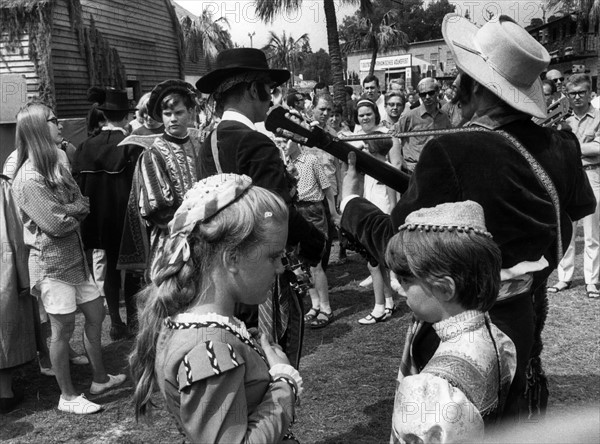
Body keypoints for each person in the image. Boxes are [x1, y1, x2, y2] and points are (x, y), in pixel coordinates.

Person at [339, 14, 596, 422]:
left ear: (476, 86)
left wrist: (351, 203)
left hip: (464, 331)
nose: (454, 91)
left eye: (462, 77)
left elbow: (396, 245)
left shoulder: (451, 151)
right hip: (525, 316)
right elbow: (579, 208)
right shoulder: (562, 144)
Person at [130, 174, 302, 443]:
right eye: (273, 256)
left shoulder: (189, 322)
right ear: (232, 258)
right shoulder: (210, 348)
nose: (281, 267)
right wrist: (284, 382)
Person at [195, 48, 326, 364]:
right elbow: (275, 211)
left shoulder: (209, 140)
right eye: (269, 88)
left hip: (222, 269)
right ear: (254, 89)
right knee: (275, 357)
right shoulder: (254, 141)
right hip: (259, 271)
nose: (271, 98)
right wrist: (315, 242)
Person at [11, 103, 126, 414]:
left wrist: (71, 210)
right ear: (37, 128)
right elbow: (55, 225)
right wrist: (74, 211)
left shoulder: (56, 166)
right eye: (52, 120)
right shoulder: (28, 178)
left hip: (75, 258)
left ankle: (100, 379)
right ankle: (67, 396)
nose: (59, 125)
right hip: (51, 265)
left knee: (96, 314)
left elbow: (82, 201)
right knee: (62, 330)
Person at [387, 201, 516, 442]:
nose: (400, 290)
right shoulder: (496, 337)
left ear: (445, 288)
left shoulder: (430, 388)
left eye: (406, 280)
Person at [72, 88, 142, 340]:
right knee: (134, 268)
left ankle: (115, 322)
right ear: (125, 117)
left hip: (98, 219)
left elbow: (78, 185)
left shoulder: (85, 146)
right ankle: (134, 322)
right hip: (126, 216)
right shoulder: (131, 146)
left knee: (110, 268)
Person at [118, 80, 202, 279]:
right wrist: (192, 224)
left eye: (179, 113)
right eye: (167, 114)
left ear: (190, 113)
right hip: (171, 241)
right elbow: (157, 208)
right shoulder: (153, 154)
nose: (173, 119)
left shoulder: (200, 146)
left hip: (205, 237)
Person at [548, 74, 600, 298]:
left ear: (590, 93)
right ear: (566, 95)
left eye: (582, 92)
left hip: (592, 176)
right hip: (567, 178)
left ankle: (592, 280)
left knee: (592, 233)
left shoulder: (598, 117)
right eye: (573, 93)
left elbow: (599, 148)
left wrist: (569, 146)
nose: (577, 97)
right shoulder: (561, 119)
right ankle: (564, 278)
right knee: (566, 231)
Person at [284, 123, 339, 329]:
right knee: (301, 262)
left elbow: (327, 188)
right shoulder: (284, 163)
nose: (283, 144)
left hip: (313, 210)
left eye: (286, 140)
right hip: (295, 210)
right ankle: (315, 304)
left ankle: (326, 308)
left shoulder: (311, 159)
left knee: (315, 262)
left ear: (296, 140)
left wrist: (333, 212)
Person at [349, 99, 397, 324]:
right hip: (372, 215)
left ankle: (380, 307)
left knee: (375, 263)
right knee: (376, 263)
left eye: (367, 147)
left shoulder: (386, 170)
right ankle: (388, 302)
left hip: (382, 218)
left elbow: (392, 199)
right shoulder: (372, 168)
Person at [0, 174, 36, 414]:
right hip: (3, 270)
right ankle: (4, 392)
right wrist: (24, 276)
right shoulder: (2, 187)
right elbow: (14, 233)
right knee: (4, 329)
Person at [390, 77, 451, 173]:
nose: (427, 97)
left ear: (437, 92)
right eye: (423, 94)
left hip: (438, 169)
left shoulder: (444, 117)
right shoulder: (409, 116)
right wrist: (399, 160)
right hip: (415, 170)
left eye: (430, 93)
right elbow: (392, 135)